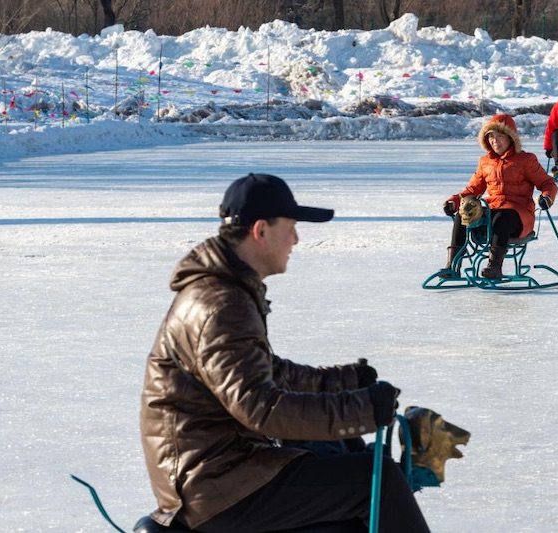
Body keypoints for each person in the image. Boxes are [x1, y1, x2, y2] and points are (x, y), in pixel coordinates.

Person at [138, 173, 429, 533]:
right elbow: (261, 408)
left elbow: (269, 373)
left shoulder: (227, 291)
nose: (296, 239)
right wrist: (364, 410)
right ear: (261, 230)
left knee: (341, 444)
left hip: (222, 469)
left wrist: (343, 382)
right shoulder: (221, 304)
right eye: (290, 227)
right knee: (379, 482)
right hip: (213, 486)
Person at [440, 114, 558, 279]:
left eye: (500, 136)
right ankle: (453, 265)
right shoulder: (485, 162)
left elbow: (547, 183)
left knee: (502, 216)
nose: (495, 141)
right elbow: (473, 189)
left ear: (510, 137)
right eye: (491, 136)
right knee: (463, 214)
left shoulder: (526, 160)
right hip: (493, 210)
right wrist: (454, 202)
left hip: (518, 215)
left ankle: (494, 267)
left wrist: (547, 197)